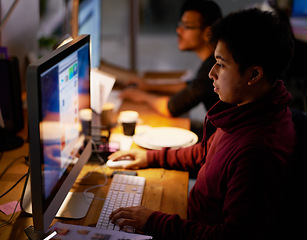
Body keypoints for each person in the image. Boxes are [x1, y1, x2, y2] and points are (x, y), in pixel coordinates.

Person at [108, 8, 297, 240]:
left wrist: (154, 221)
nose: (211, 73)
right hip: (190, 215)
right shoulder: (246, 109)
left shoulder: (258, 149)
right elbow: (206, 152)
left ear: (254, 75)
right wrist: (150, 158)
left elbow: (232, 237)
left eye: (221, 64)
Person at [119, 0, 222, 118]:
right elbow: (190, 86)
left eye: (186, 26)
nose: (179, 30)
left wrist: (142, 96)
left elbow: (171, 107)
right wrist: (149, 86)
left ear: (208, 32)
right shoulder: (211, 62)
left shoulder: (213, 67)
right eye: (180, 25)